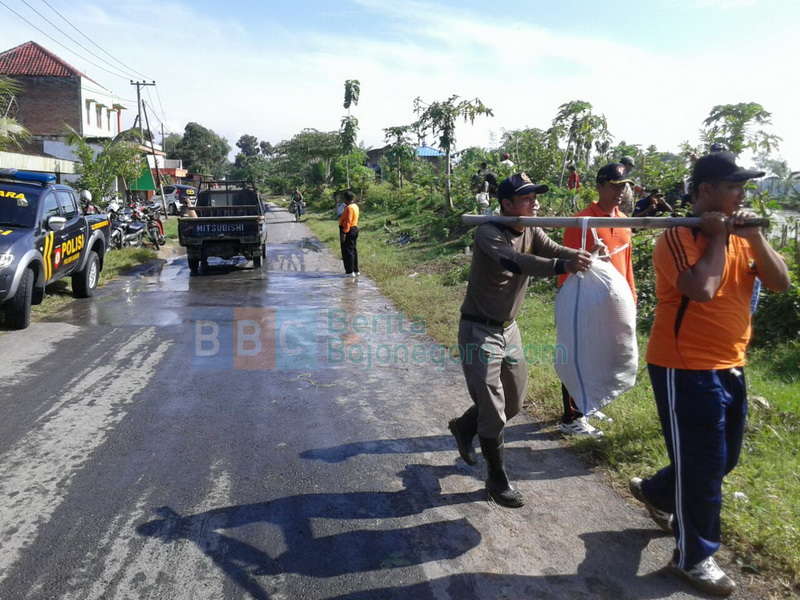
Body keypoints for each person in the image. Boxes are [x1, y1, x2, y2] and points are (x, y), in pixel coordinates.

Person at [629, 152, 789, 596]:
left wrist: (754, 239)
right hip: (685, 366)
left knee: (726, 459)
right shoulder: (678, 236)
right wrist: (718, 238)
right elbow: (700, 289)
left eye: (742, 187)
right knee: (703, 466)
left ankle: (659, 492)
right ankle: (694, 556)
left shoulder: (742, 234)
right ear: (705, 191)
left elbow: (780, 283)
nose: (741, 194)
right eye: (733, 186)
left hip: (731, 362)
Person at [448, 173, 592, 508]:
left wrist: (580, 254)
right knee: (495, 411)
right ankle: (497, 480)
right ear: (507, 204)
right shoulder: (488, 232)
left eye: (535, 197)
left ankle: (464, 426)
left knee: (512, 403)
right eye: (527, 199)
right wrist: (562, 264)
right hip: (478, 330)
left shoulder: (530, 228)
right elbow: (515, 262)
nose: (535, 203)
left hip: (509, 329)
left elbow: (554, 249)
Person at [557, 163, 637, 437]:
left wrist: (631, 295)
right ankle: (572, 416)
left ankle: (589, 404)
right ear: (600, 185)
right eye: (615, 186)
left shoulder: (624, 222)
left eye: (623, 186)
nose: (620, 191)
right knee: (580, 355)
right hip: (586, 302)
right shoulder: (582, 220)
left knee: (605, 354)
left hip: (614, 303)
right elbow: (567, 265)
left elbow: (626, 264)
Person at [338, 190, 360, 277]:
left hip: (348, 230)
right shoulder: (355, 206)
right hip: (354, 228)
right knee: (353, 250)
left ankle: (350, 271)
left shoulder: (349, 208)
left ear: (346, 199)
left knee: (347, 251)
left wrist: (344, 233)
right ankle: (356, 270)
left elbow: (347, 221)